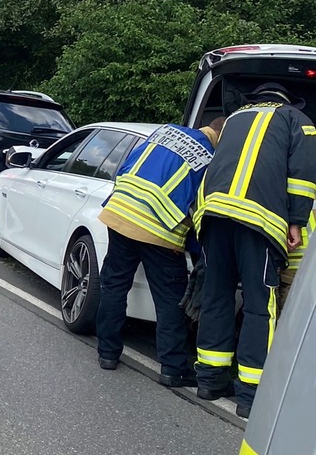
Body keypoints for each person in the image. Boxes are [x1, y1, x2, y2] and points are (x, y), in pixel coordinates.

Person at [194, 82, 316, 418]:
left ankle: (208, 381)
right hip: (258, 223)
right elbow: (302, 176)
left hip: (215, 217)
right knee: (259, 306)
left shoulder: (233, 118)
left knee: (216, 296)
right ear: (287, 101)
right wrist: (296, 221)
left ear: (257, 99)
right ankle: (250, 396)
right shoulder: (297, 120)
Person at [96, 118, 224, 387]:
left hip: (119, 212)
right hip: (159, 230)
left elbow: (129, 165)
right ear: (221, 136)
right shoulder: (211, 158)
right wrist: (198, 252)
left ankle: (107, 354)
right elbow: (200, 208)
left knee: (114, 286)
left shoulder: (166, 132)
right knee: (169, 301)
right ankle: (173, 369)